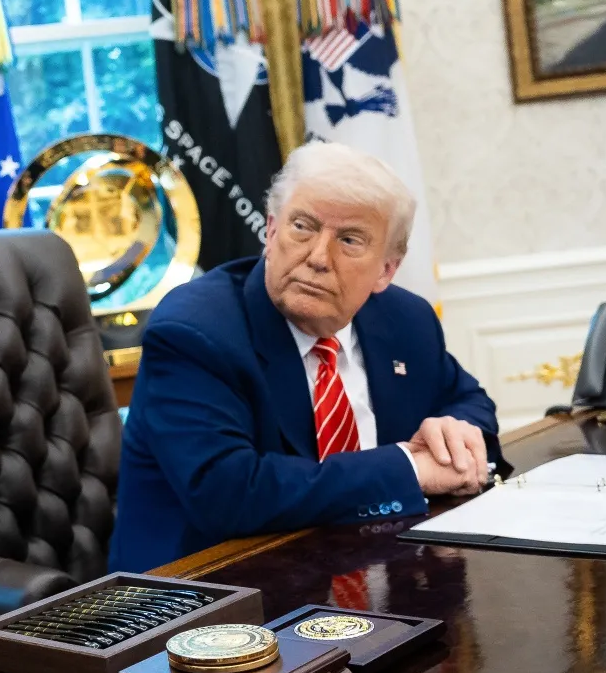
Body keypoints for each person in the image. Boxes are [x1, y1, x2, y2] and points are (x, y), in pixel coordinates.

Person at [107, 141, 500, 573]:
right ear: (271, 231)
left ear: (386, 269)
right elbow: (228, 494)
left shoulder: (406, 320)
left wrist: (453, 436)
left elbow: (470, 402)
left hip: (380, 574)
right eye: (303, 227)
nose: (317, 258)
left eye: (349, 240)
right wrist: (408, 468)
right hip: (211, 596)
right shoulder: (195, 332)